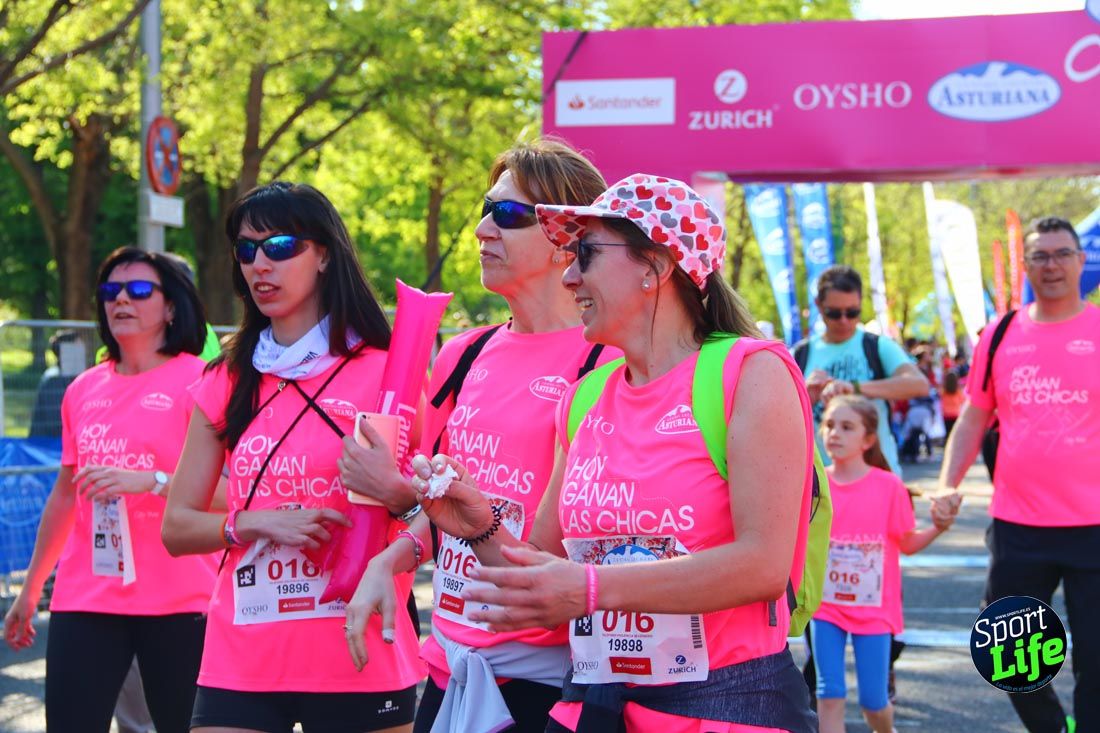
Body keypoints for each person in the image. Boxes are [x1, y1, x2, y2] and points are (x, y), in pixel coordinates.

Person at [412, 174, 819, 732]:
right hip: (595, 706)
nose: (570, 274)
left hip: (723, 709)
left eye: (586, 254)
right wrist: (480, 526)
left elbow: (763, 566)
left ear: (655, 266)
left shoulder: (750, 372)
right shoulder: (586, 397)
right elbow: (541, 572)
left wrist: (592, 589)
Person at [339, 138, 611, 733]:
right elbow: (444, 505)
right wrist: (393, 555)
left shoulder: (610, 362)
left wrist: (397, 493)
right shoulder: (465, 353)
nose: (484, 228)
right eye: (486, 209)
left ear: (566, 232)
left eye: (508, 215)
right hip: (451, 657)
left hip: (548, 669)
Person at [160, 182, 424, 733]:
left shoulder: (388, 373)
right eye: (246, 249)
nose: (260, 263)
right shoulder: (226, 380)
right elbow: (178, 527)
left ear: (324, 253)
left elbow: (435, 512)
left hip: (356, 642)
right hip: (243, 651)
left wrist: (397, 507)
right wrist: (255, 523)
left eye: (279, 246)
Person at [3, 247, 217, 733]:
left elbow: (238, 491)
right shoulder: (83, 388)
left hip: (181, 599)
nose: (121, 299)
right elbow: (65, 495)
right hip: (87, 596)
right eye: (110, 291)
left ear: (169, 307)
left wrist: (155, 483)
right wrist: (31, 589)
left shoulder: (202, 380)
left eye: (139, 289)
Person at [938, 216, 1099, 733]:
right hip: (1018, 528)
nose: (1051, 265)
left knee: (1096, 664)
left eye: (1061, 254)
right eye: (1040, 256)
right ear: (1027, 265)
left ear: (1080, 261)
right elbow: (974, 415)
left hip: (1094, 529)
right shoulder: (1002, 332)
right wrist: (947, 483)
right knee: (1009, 660)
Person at [812, 396, 956, 733]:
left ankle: (886, 730)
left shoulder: (889, 487)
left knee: (873, 701)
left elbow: (906, 543)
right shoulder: (815, 485)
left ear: (868, 439)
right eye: (830, 425)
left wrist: (939, 527)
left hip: (874, 609)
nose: (835, 433)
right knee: (828, 693)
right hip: (826, 605)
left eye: (847, 427)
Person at [793, 265, 930, 475]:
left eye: (852, 312)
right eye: (834, 313)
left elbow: (918, 385)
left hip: (876, 480)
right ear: (818, 306)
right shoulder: (800, 354)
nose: (844, 320)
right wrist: (805, 396)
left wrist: (855, 387)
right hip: (819, 488)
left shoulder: (877, 346)